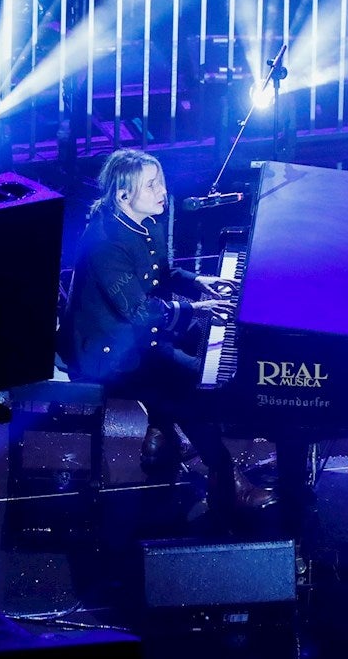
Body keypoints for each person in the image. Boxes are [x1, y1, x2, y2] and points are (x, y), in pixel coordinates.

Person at [57, 149, 276, 511]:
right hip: (104, 350)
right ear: (123, 195)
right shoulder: (105, 243)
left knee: (200, 343)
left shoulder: (146, 221)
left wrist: (199, 283)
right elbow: (140, 311)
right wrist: (193, 308)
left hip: (134, 334)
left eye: (160, 181)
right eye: (151, 185)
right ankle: (225, 480)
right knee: (190, 382)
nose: (162, 191)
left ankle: (161, 433)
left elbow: (162, 275)